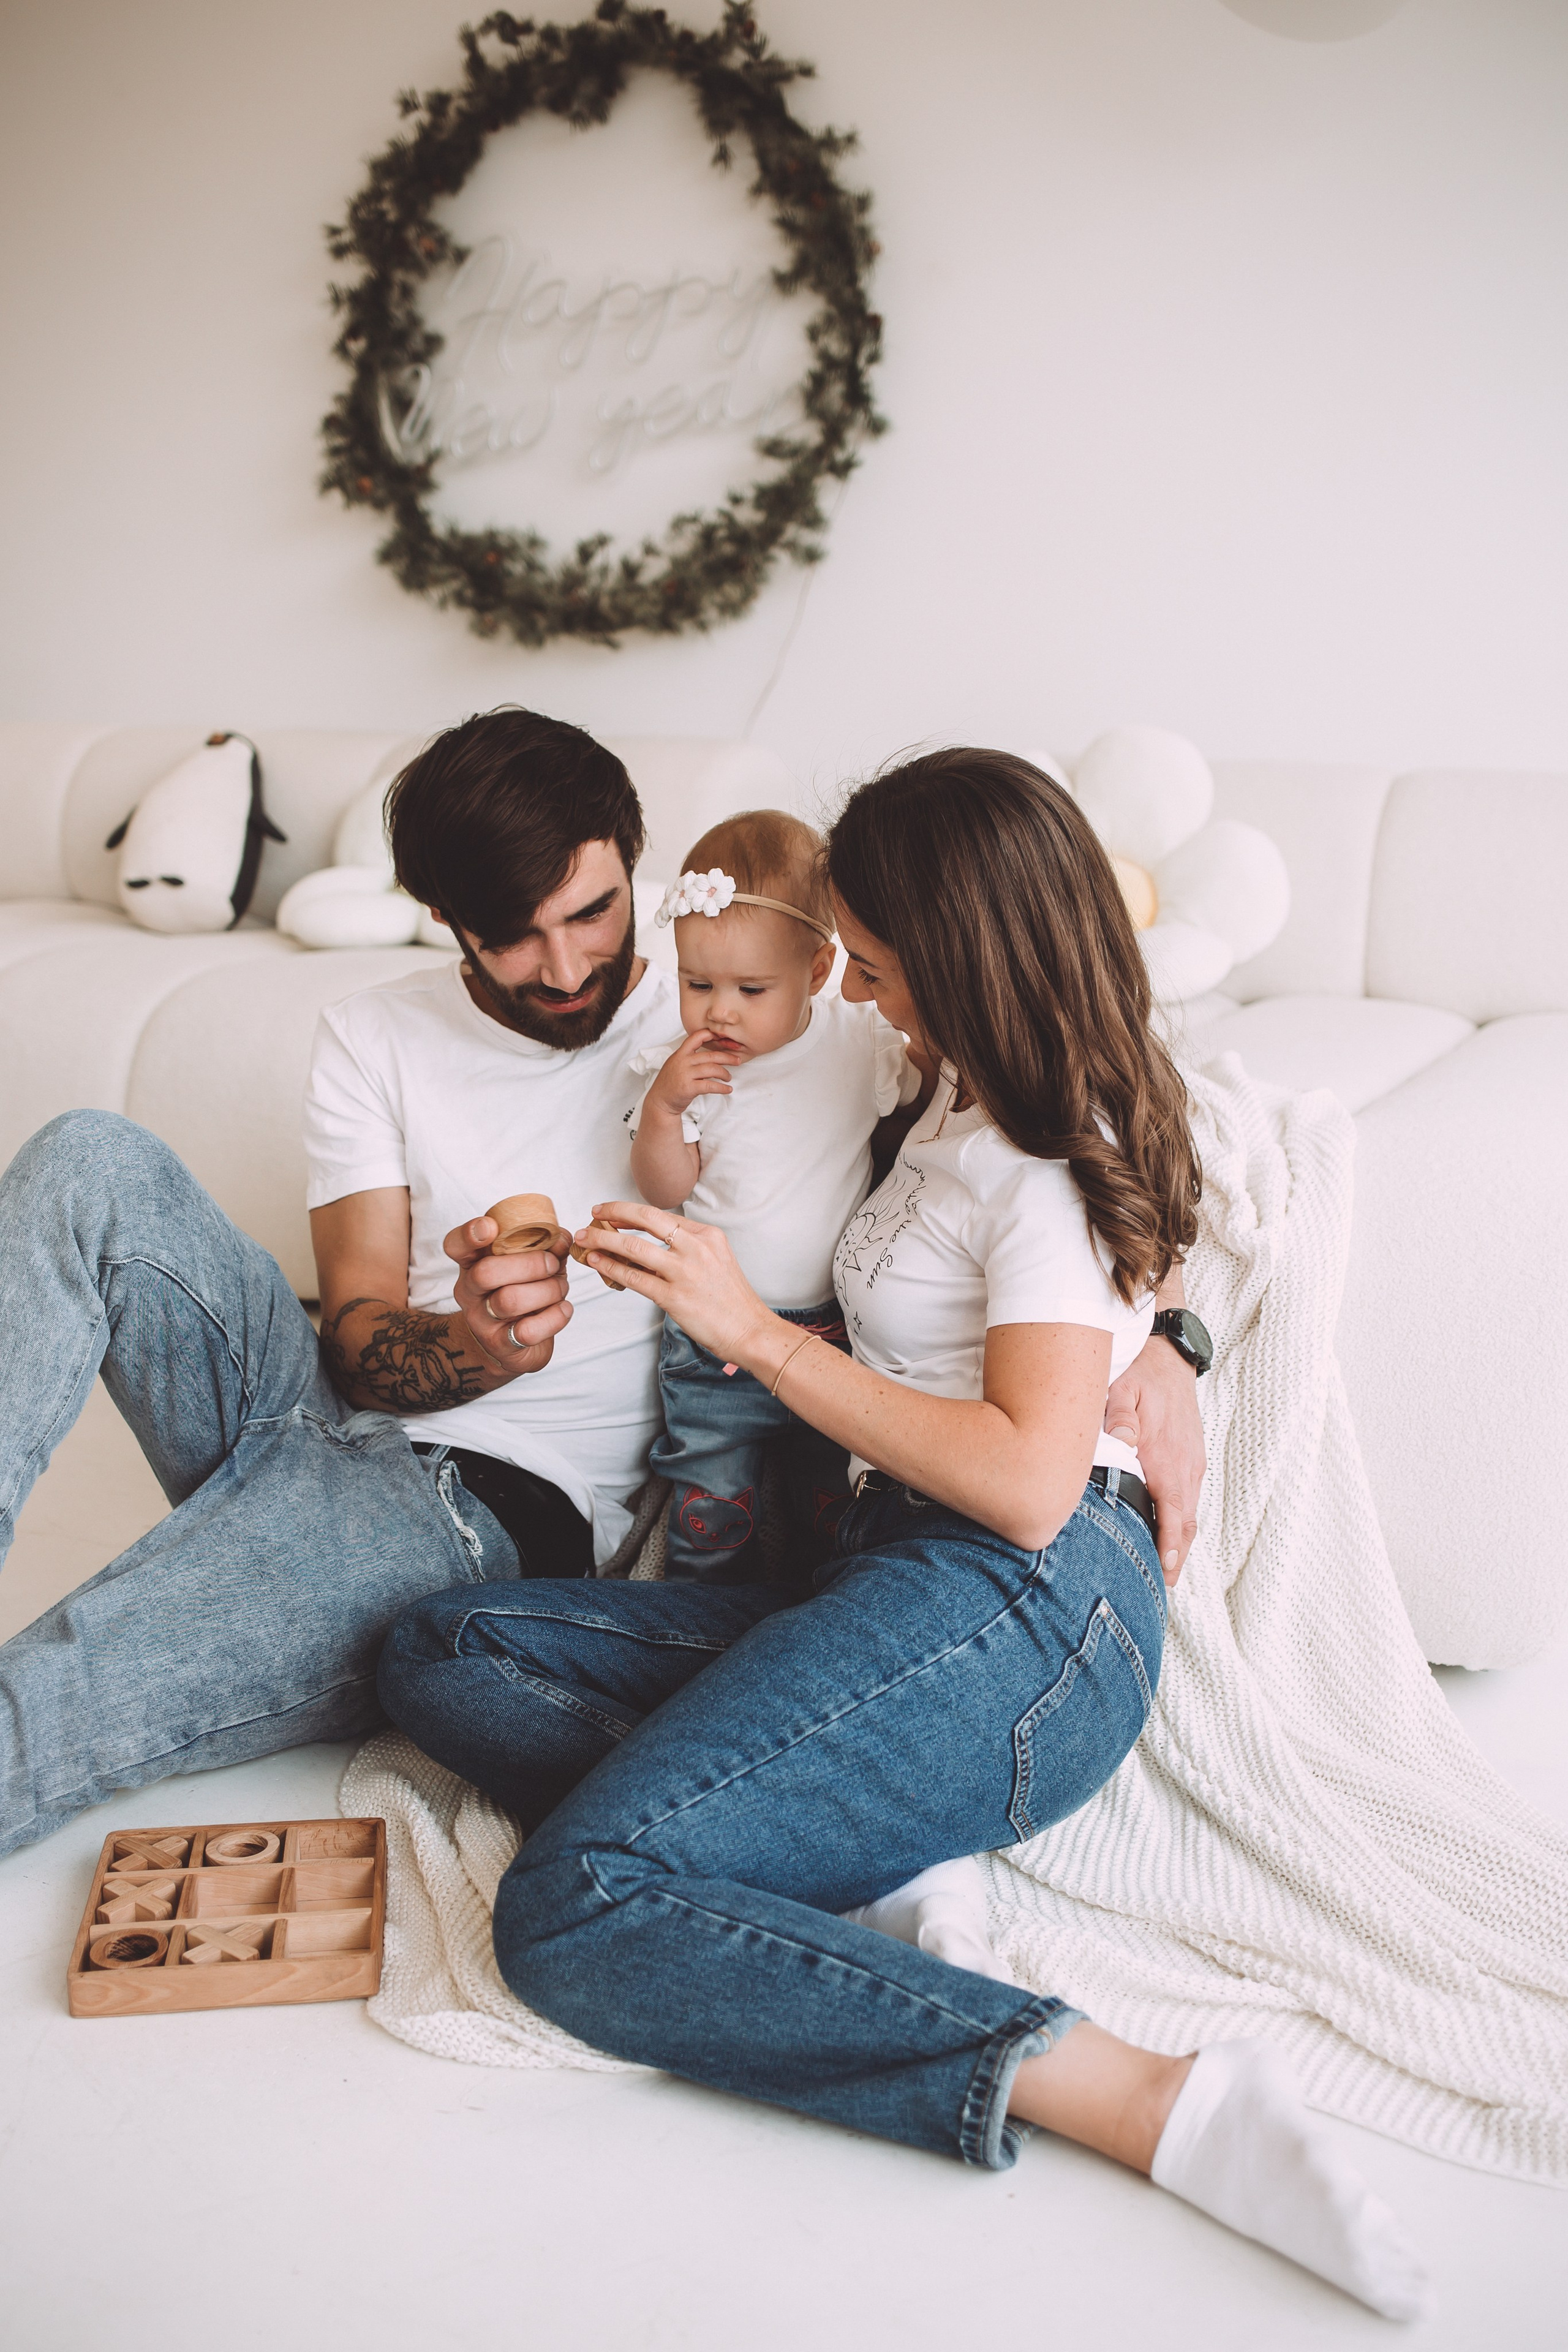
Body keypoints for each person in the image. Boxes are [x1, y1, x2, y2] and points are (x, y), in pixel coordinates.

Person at [377, 749, 1427, 2321]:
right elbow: (1175, 1186)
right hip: (886, 1579)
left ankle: (1135, 2095)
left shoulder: (1029, 1148)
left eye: (871, 963)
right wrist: (1173, 1338)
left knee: (575, 1906)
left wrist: (753, 1330)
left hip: (1022, 1606)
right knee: (439, 1647)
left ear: (960, 952)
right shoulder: (943, 1088)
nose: (854, 994)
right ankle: (876, 1831)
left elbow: (1019, 1481)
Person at [0, 710, 1203, 1862]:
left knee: (83, 1673)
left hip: (482, 1496)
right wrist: (473, 1343)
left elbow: (1096, 1094)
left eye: (591, 912)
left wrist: (1161, 1340)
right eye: (513, 934)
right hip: (323, 1421)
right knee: (89, 1161)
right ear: (440, 918)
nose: (568, 964)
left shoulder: (757, 992)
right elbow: (353, 1329)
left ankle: (259, 1574)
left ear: (638, 865)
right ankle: (266, 1545)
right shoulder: (372, 1037)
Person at [630, 809, 925, 1581]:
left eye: (750, 988)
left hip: (831, 1333)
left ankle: (807, 1603)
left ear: (819, 972)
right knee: (712, 1497)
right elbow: (665, 1187)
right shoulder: (684, 1065)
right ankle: (697, 1605)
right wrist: (663, 1110)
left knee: (831, 1494)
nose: (718, 1010)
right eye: (697, 984)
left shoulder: (857, 1044)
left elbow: (936, 1097)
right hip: (711, 1336)